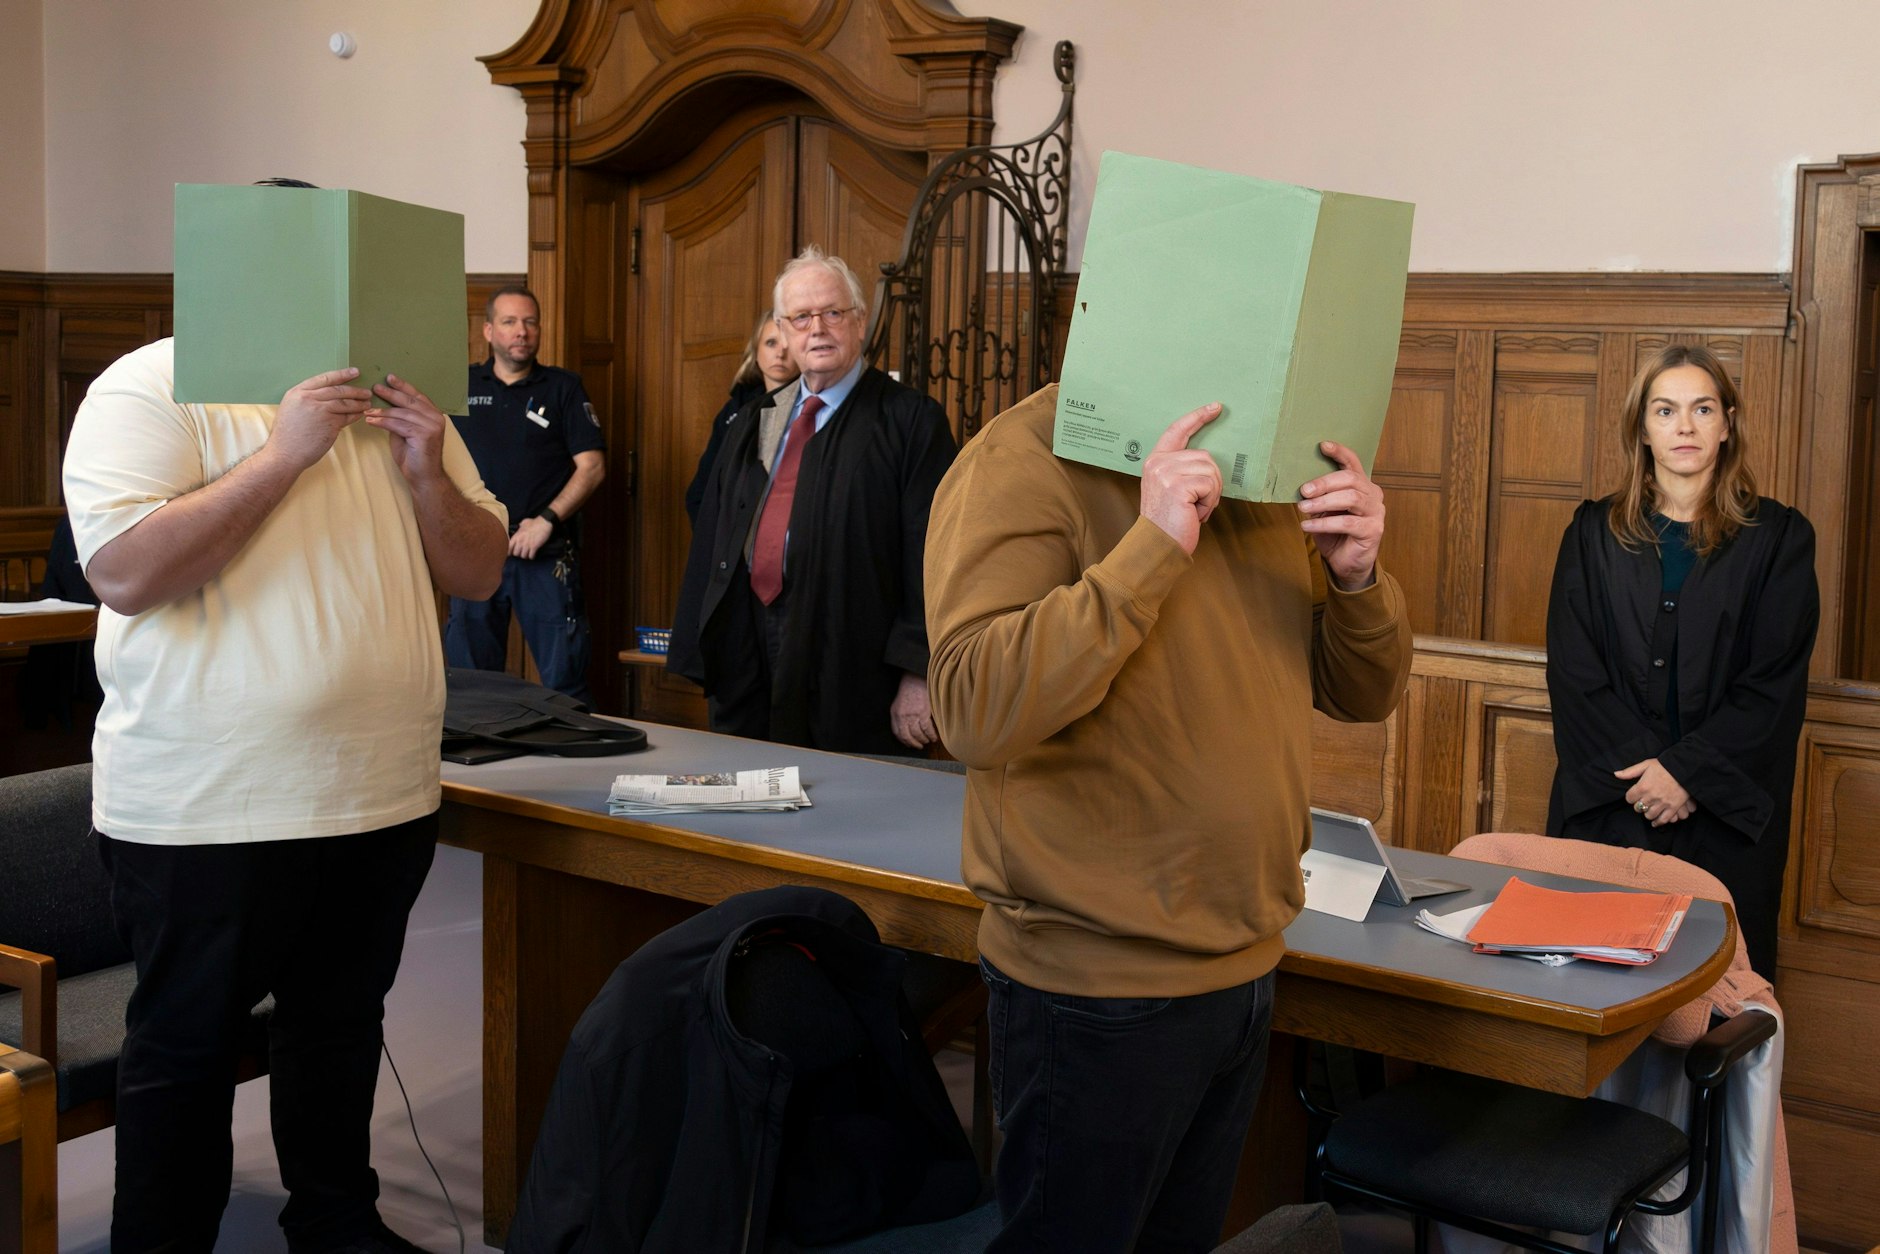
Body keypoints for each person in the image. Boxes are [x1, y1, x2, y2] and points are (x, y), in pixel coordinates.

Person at [924, 387, 1413, 1250]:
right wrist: (1150, 547)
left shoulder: (1261, 460)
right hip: (1094, 987)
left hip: (1243, 962)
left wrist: (1357, 575)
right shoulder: (1023, 454)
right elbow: (971, 707)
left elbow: (1360, 691)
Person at [63, 321, 509, 1249]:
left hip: (378, 785)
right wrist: (282, 456)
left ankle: (336, 1222)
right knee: (188, 1048)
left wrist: (427, 468)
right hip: (209, 798)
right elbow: (126, 573)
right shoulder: (148, 385)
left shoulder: (403, 394)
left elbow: (475, 569)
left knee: (339, 1027)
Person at [1545, 344, 1818, 978]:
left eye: (1702, 408)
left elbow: (1772, 685)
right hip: (1612, 802)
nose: (1685, 427)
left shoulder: (1779, 540)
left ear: (1728, 423)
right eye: (1666, 410)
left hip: (1725, 813)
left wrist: (1686, 774)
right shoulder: (1591, 534)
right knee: (1593, 980)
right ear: (1642, 428)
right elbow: (1576, 675)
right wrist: (1649, 783)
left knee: (1715, 993)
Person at [668, 246, 957, 753]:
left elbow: (934, 554)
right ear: (782, 329)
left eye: (832, 313)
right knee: (749, 795)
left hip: (854, 651)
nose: (816, 329)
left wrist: (919, 670)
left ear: (860, 322)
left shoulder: (911, 422)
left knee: (843, 808)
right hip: (752, 645)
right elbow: (715, 531)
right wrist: (702, 646)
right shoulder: (756, 418)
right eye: (800, 318)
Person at [446, 285, 606, 703]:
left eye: (530, 322)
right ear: (487, 330)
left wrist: (546, 522)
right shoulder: (459, 386)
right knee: (468, 684)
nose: (522, 331)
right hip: (476, 548)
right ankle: (476, 771)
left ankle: (572, 767)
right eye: (510, 322)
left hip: (544, 550)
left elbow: (592, 467)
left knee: (566, 682)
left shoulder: (563, 388)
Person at [684, 310, 798, 524]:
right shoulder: (735, 411)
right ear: (756, 350)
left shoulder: (811, 408)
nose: (780, 354)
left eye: (789, 346)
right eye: (771, 343)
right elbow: (702, 490)